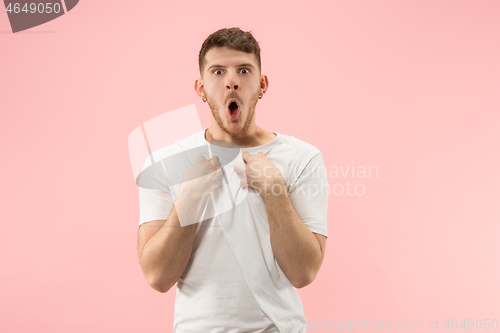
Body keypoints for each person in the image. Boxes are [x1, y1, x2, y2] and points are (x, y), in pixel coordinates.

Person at [137, 27, 328, 333]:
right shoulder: (163, 162)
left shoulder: (303, 158)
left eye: (243, 70)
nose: (232, 81)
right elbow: (157, 277)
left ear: (262, 84)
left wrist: (275, 191)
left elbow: (303, 273)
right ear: (200, 88)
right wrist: (187, 202)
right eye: (217, 71)